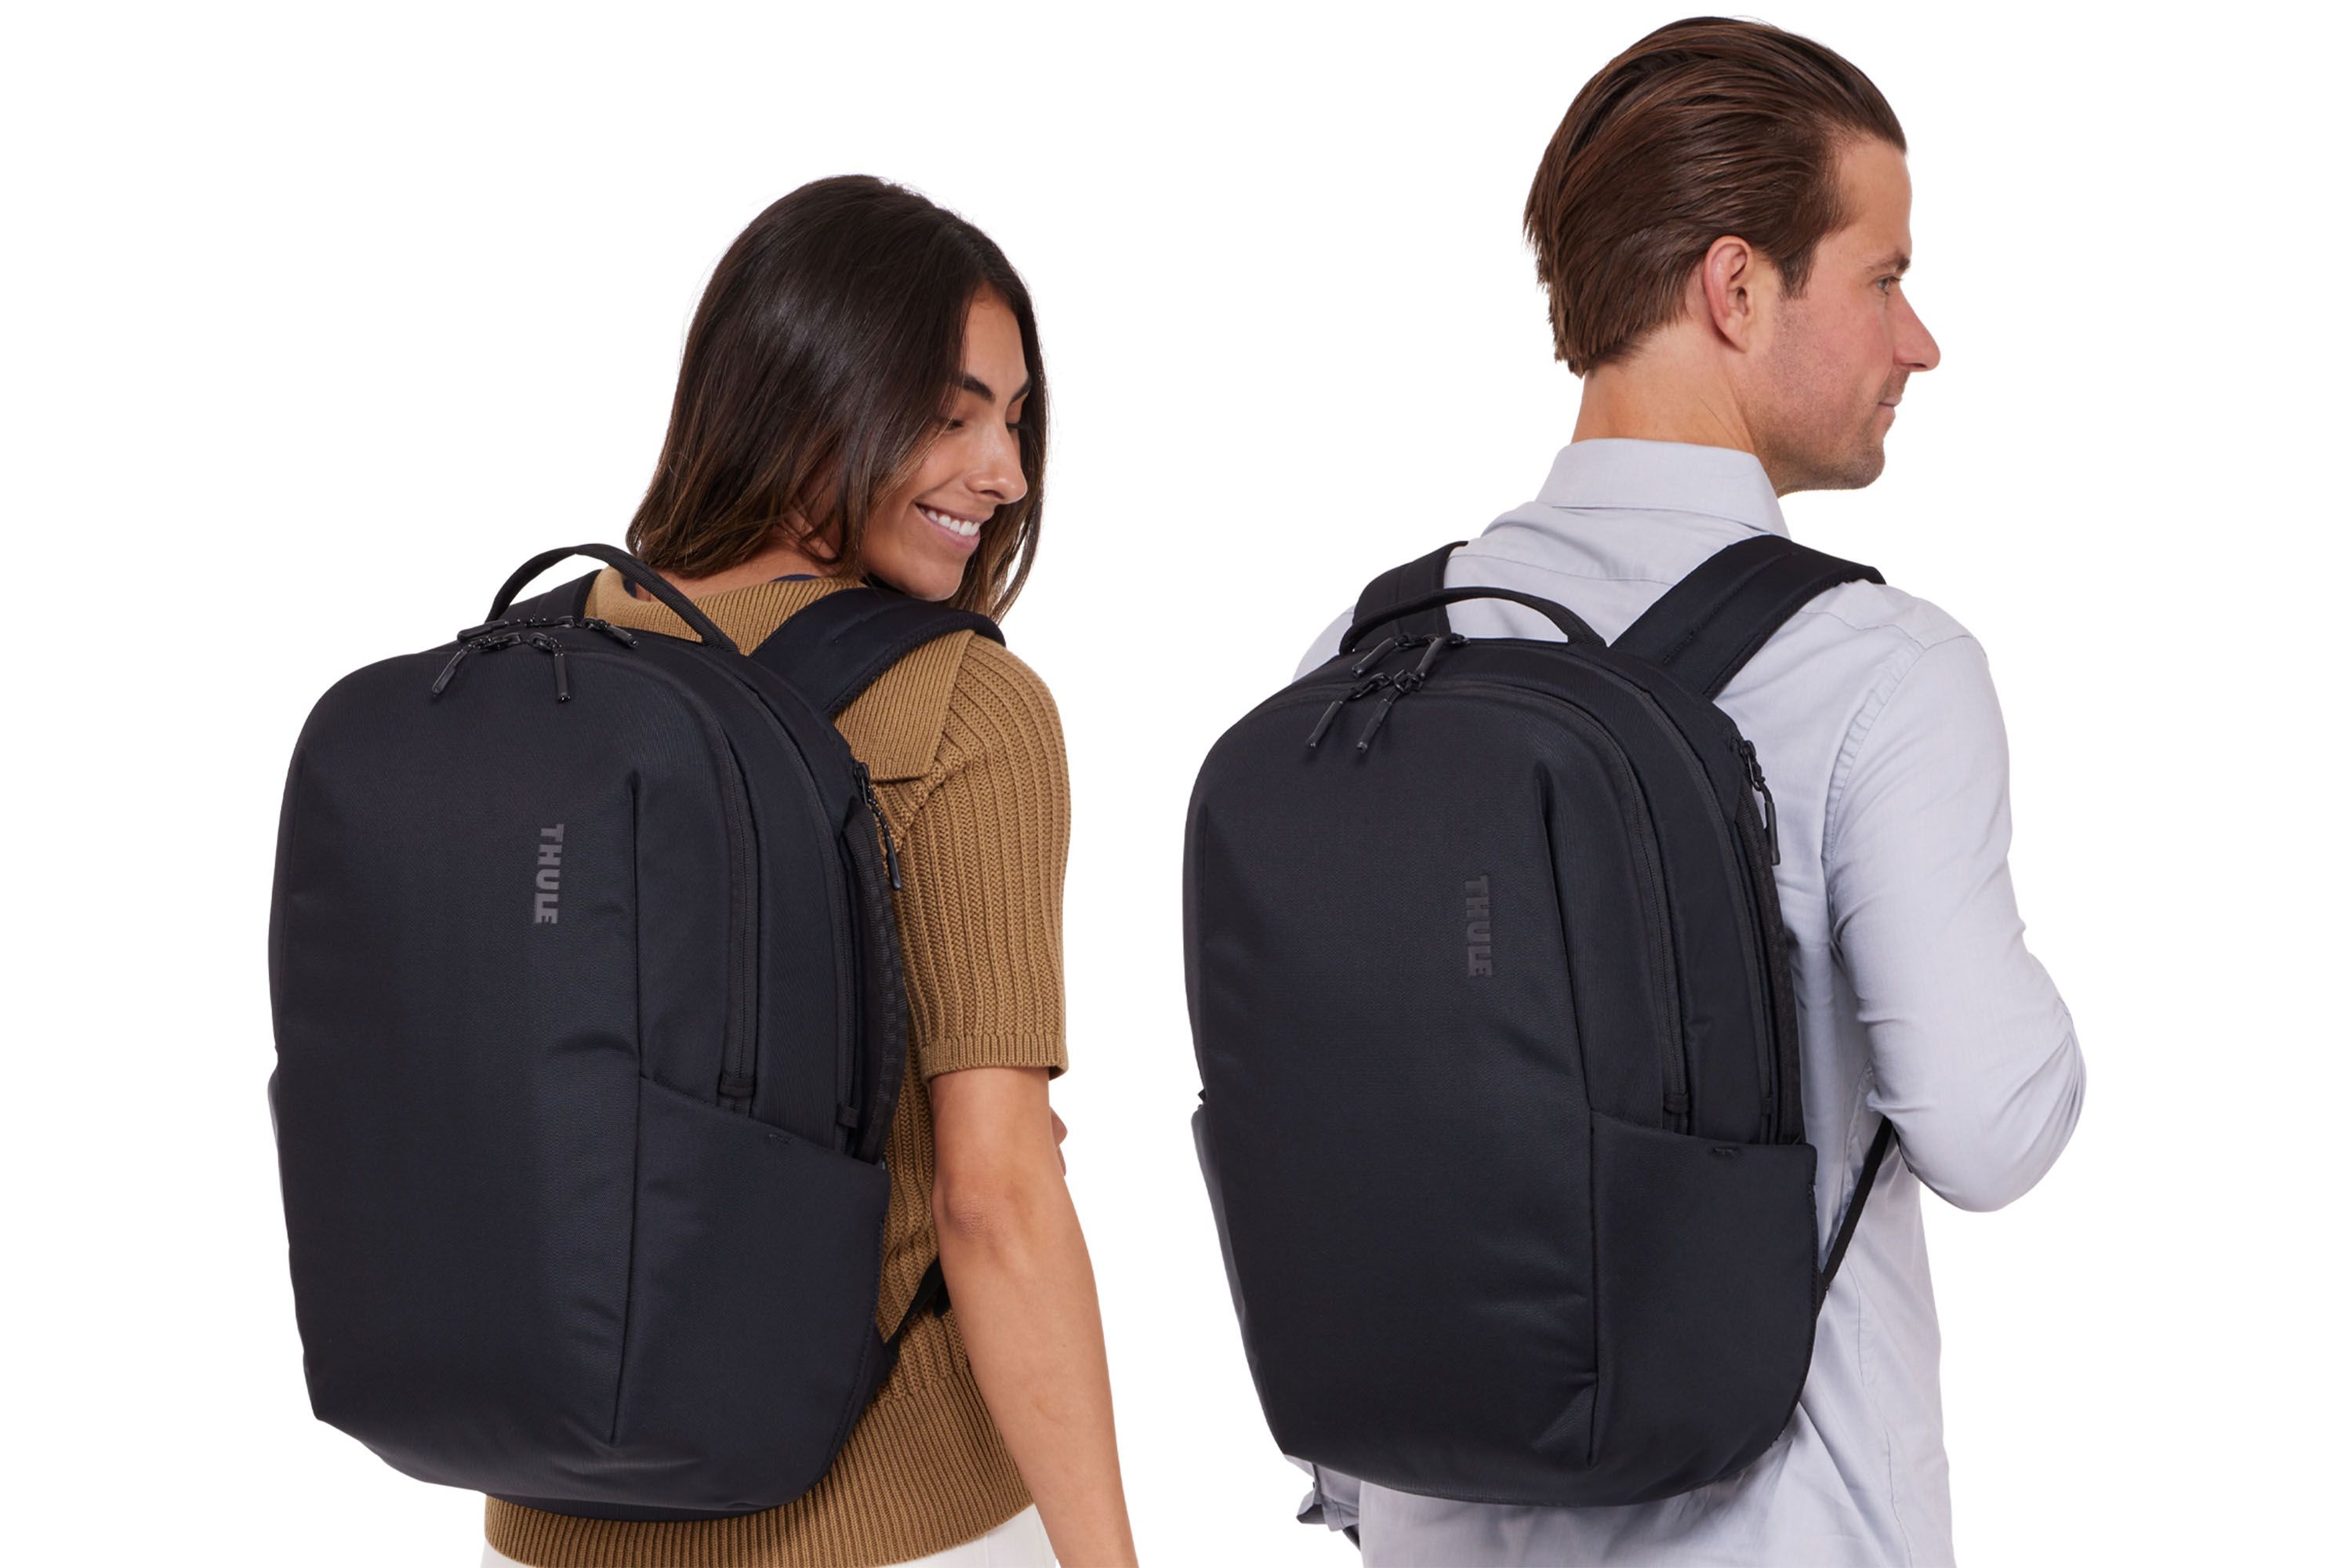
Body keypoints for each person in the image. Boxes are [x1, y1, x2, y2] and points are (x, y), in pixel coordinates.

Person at [1288, 19, 2083, 1566]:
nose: (1918, 342)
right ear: (1737, 287)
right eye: (1883, 278)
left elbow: (1326, 1121)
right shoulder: (1880, 670)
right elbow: (1991, 1130)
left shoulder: (1368, 654)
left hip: (1436, 1526)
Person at [483, 176, 1136, 1568]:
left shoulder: (530, 673)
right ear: (806, 399)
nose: (1007, 473)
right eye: (951, 415)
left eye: (1016, 419)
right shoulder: (961, 706)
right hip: (886, 1524)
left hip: (538, 1515)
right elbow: (995, 1203)